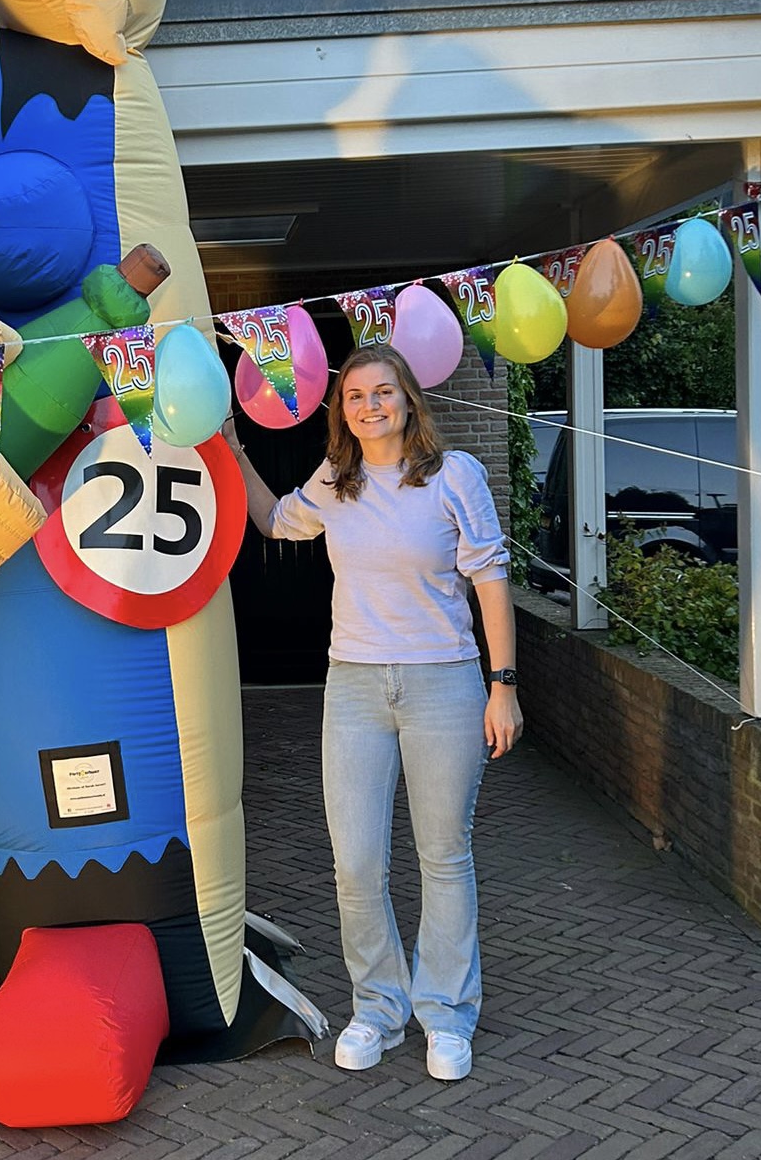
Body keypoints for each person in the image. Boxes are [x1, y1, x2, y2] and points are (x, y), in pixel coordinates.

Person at [223, 343, 521, 1082]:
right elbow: (274, 520)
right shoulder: (336, 479)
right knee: (355, 862)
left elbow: (491, 580)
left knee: (443, 856)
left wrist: (503, 685)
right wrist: (230, 446)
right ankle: (379, 1008)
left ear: (408, 398)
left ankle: (445, 1014)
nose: (370, 405)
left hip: (443, 683)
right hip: (354, 687)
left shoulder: (455, 475)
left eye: (382, 391)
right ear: (342, 411)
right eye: (354, 395)